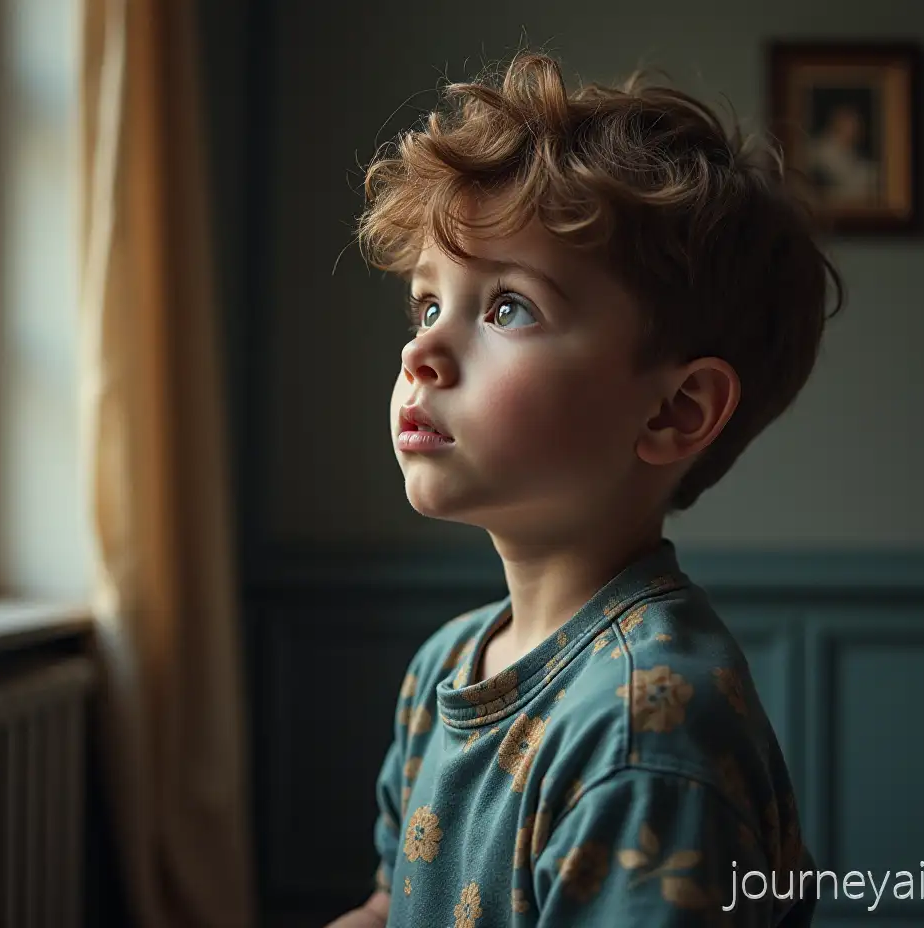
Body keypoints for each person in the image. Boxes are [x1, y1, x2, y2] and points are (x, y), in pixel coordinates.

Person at [328, 49, 843, 927]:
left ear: (677, 411)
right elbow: (392, 904)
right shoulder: (442, 669)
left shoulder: (643, 733)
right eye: (426, 305)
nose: (422, 353)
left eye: (506, 309)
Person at [805, 102, 880, 203]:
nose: (858, 128)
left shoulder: (857, 159)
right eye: (850, 122)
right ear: (837, 123)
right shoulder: (817, 151)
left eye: (858, 123)